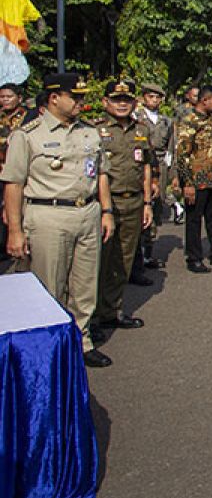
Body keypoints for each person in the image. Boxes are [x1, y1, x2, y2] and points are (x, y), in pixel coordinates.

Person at [1, 72, 116, 368]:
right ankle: (50, 347)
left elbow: (101, 173)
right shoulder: (28, 135)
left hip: (87, 213)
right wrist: (14, 230)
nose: (81, 102)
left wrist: (106, 211)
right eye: (74, 97)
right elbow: (13, 184)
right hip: (48, 215)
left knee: (85, 284)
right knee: (49, 286)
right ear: (54, 98)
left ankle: (82, 340)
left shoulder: (89, 132)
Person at [91, 80, 155, 342]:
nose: (121, 104)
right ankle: (91, 318)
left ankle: (112, 310)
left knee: (123, 260)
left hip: (133, 202)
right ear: (106, 102)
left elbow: (147, 166)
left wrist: (148, 202)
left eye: (126, 100)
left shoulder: (141, 131)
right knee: (98, 262)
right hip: (105, 204)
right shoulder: (95, 130)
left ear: (134, 103)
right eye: (116, 99)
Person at [176, 85, 212, 273]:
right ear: (205, 100)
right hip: (196, 180)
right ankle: (194, 257)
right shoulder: (190, 121)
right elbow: (183, 154)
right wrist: (187, 183)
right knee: (194, 221)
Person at [134, 82, 172, 269]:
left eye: (157, 97)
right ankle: (137, 254)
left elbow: (170, 147)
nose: (154, 100)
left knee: (156, 206)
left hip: (160, 164)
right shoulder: (136, 118)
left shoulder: (166, 121)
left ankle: (148, 253)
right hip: (141, 163)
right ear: (143, 98)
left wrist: (172, 172)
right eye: (150, 97)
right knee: (140, 205)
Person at [0, 82, 27, 258]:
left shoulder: (29, 118)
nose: (5, 100)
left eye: (9, 96)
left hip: (18, 173)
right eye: (2, 97)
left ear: (19, 98)